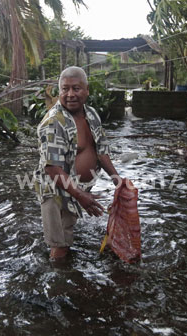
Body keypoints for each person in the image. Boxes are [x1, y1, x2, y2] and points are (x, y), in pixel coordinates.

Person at [36, 66, 122, 260]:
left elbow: (101, 151)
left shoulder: (91, 114)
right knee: (60, 245)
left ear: (87, 90)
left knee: (69, 230)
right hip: (56, 191)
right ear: (59, 91)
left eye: (76, 88)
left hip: (78, 188)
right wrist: (81, 196)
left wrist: (117, 180)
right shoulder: (53, 122)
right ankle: (58, 280)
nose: (70, 94)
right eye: (65, 89)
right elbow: (52, 168)